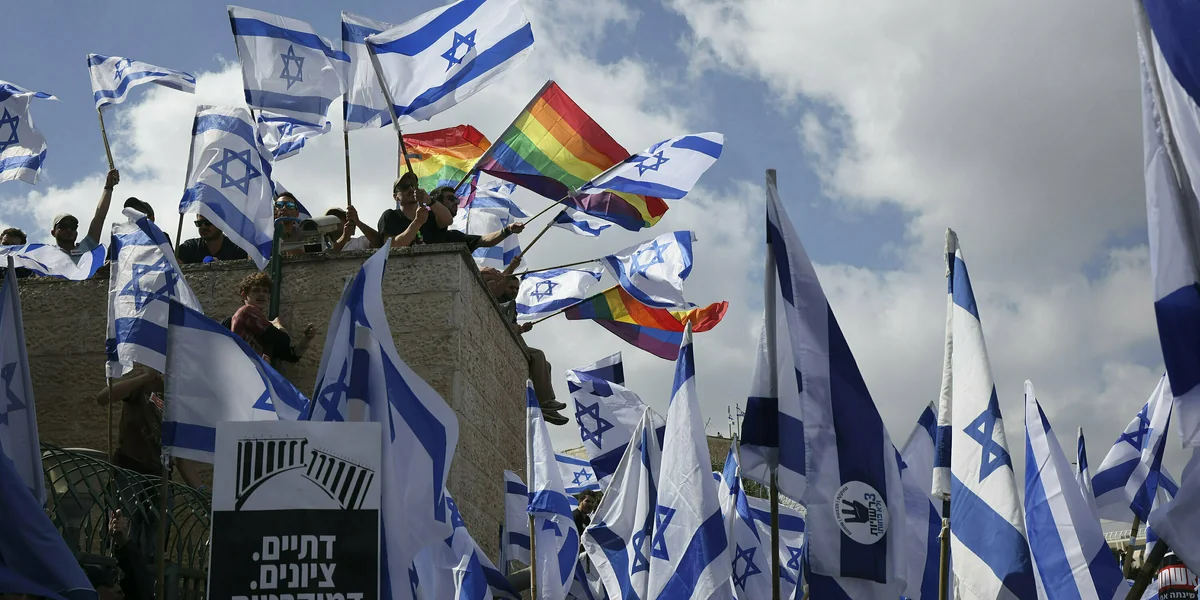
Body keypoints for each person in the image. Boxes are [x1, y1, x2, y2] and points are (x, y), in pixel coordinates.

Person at [480, 266, 569, 425]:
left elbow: (510, 328)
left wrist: (521, 329)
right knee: (537, 355)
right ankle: (546, 402)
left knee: (546, 365)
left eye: (517, 288)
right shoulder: (493, 297)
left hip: (510, 342)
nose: (514, 291)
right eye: (511, 288)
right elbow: (499, 324)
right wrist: (513, 266)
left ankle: (546, 408)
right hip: (496, 341)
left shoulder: (510, 305)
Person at [222, 272, 317, 363]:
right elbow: (283, 340)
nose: (261, 294)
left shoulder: (259, 326)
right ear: (244, 295)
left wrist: (306, 339)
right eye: (256, 290)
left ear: (269, 296)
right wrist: (278, 325)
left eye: (265, 291)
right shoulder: (247, 311)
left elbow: (291, 355)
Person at [424, 185, 525, 249]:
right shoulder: (419, 220)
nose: (456, 202)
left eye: (457, 200)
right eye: (451, 199)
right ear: (436, 201)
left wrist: (508, 230)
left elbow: (484, 240)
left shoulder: (452, 237)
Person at [53, 168, 119, 265]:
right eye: (63, 226)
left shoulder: (86, 247)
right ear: (53, 232)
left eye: (73, 226)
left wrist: (108, 187)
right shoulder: (46, 257)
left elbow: (99, 218)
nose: (69, 229)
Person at [375, 172, 447, 248]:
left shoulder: (430, 213)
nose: (411, 189)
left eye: (413, 185)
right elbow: (391, 245)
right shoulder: (390, 216)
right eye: (404, 187)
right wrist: (417, 222)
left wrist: (430, 200)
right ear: (395, 196)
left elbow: (448, 220)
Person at [176, 216, 249, 264]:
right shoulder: (189, 247)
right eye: (199, 223)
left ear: (221, 223)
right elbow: (174, 267)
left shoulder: (238, 248)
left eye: (208, 222)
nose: (203, 227)